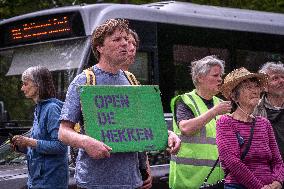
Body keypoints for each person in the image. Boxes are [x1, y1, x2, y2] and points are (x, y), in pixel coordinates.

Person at [58, 18, 180, 189]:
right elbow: (63, 132)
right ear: (100, 47)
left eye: (126, 39)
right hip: (95, 183)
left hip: (132, 181)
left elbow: (141, 127)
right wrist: (86, 142)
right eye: (117, 40)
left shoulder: (131, 80)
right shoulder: (84, 81)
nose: (125, 44)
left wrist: (166, 135)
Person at [169, 55, 232, 189]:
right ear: (200, 77)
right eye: (215, 75)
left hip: (218, 181)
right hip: (188, 181)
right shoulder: (185, 101)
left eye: (220, 75)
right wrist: (214, 112)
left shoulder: (221, 105)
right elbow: (185, 128)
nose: (220, 79)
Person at [217, 67, 284, 189]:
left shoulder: (264, 124)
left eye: (256, 86)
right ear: (234, 96)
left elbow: (277, 160)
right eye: (248, 87)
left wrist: (278, 182)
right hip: (238, 186)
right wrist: (259, 187)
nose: (255, 91)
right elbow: (233, 162)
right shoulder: (225, 122)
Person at [11, 66, 68, 189]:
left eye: (25, 84)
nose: (22, 88)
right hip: (36, 181)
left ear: (38, 85)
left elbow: (60, 146)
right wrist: (22, 146)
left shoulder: (52, 109)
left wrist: (29, 141)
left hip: (50, 182)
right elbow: (39, 149)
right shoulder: (39, 108)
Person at [254, 62, 284, 160]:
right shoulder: (254, 109)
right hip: (267, 168)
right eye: (275, 78)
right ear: (264, 86)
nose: (281, 81)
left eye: (283, 77)